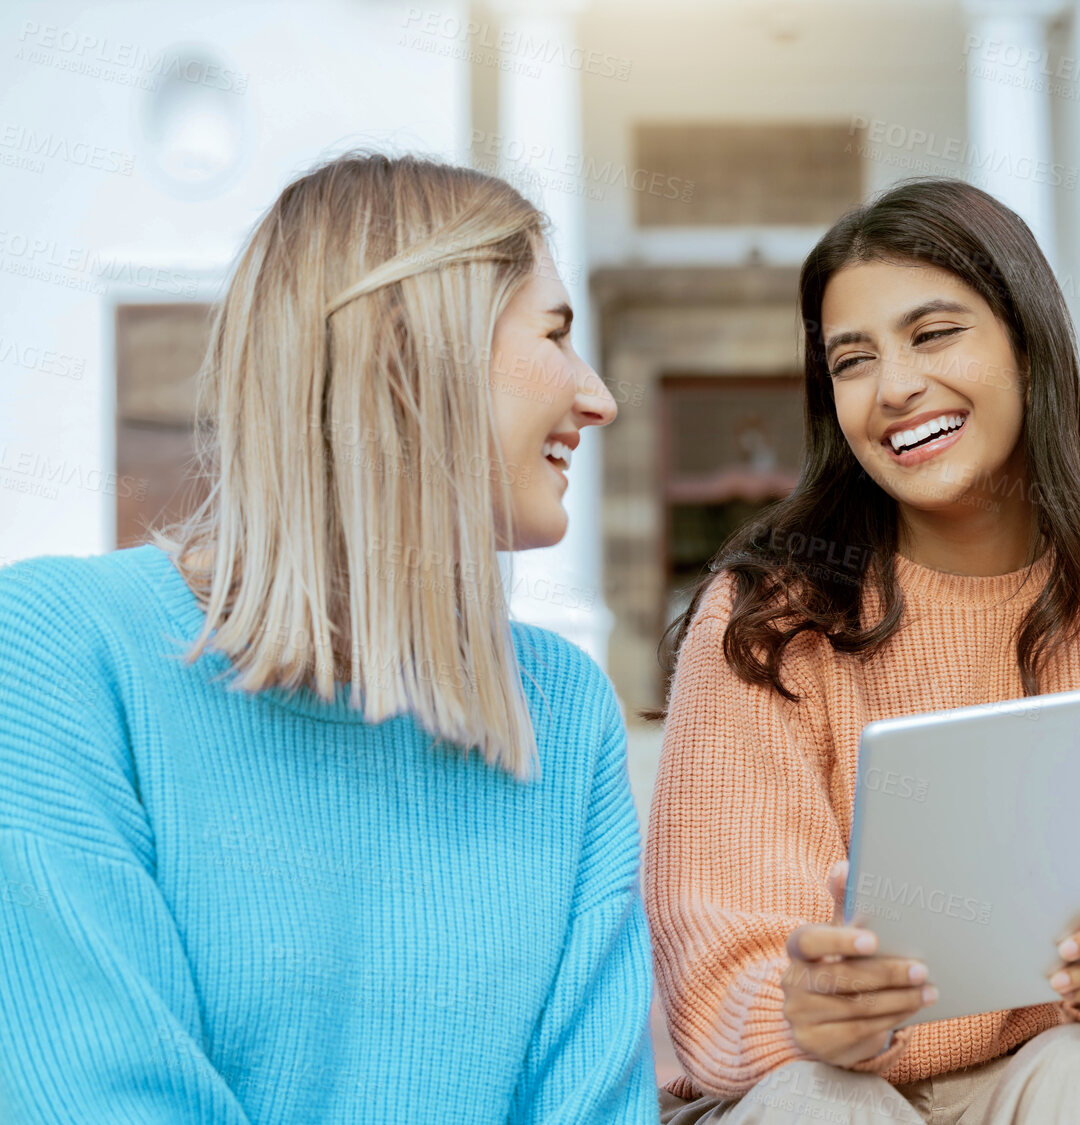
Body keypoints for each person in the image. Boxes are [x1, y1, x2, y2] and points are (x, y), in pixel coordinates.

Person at [0, 152, 655, 1123]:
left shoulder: (564, 709)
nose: (597, 398)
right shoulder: (62, 648)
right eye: (554, 335)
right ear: (412, 352)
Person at [647, 178, 1080, 1123]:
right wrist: (804, 1010)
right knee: (825, 1105)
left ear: (1028, 349)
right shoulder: (763, 625)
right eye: (852, 359)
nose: (896, 387)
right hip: (806, 1093)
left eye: (933, 333)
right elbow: (721, 974)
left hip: (1043, 1076)